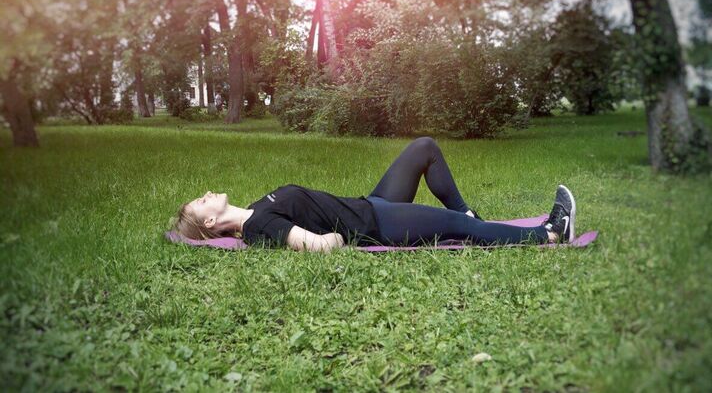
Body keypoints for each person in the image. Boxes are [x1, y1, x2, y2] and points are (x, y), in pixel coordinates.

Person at [172, 137, 576, 253]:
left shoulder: (256, 210)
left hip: (371, 203)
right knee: (455, 228)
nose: (207, 193)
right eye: (202, 201)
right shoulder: (260, 225)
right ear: (210, 221)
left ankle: (471, 215)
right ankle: (550, 234)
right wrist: (338, 234)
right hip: (377, 224)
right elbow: (320, 246)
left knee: (424, 148)